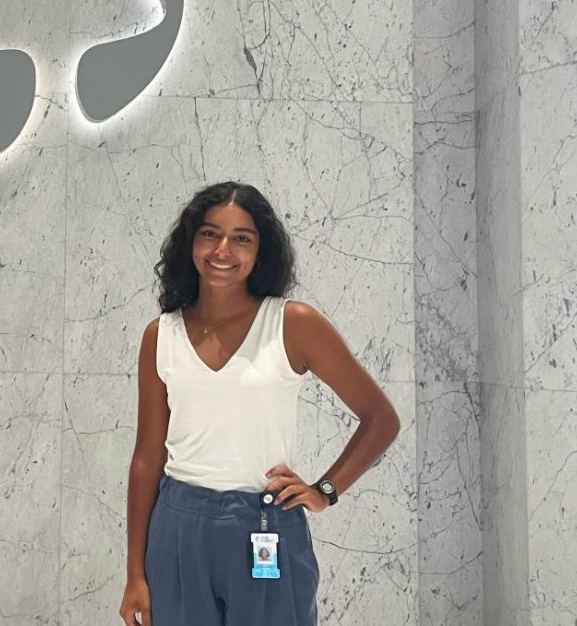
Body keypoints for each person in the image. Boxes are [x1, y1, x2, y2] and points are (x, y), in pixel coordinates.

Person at [118, 181, 401, 626]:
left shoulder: (293, 324)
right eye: (210, 233)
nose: (222, 250)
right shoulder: (162, 335)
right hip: (178, 529)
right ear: (191, 241)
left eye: (241, 238)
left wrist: (325, 491)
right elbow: (146, 458)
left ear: (260, 250)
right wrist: (135, 572)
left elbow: (381, 418)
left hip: (266, 524)